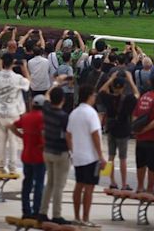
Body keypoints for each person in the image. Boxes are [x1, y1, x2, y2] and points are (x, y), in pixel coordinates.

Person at [67, 85, 106, 227]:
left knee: (79, 186)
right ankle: (86, 218)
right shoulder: (91, 113)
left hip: (78, 156)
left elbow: (68, 134)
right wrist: (101, 156)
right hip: (91, 156)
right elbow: (95, 135)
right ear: (90, 96)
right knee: (89, 188)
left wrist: (72, 151)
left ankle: (77, 216)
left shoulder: (74, 113)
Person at [98, 71, 139, 190]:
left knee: (111, 157)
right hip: (123, 129)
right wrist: (131, 80)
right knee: (123, 158)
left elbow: (101, 91)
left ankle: (112, 181)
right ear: (124, 87)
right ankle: (124, 183)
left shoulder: (109, 98)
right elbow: (137, 94)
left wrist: (111, 79)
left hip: (111, 129)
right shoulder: (128, 99)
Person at [8, 95, 46, 220]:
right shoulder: (42, 118)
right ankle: (36, 211)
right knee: (39, 184)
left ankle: (26, 210)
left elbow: (12, 126)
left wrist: (21, 136)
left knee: (27, 183)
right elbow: (43, 135)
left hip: (26, 154)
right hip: (38, 156)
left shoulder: (26, 117)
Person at [38, 86, 71, 225]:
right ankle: (56, 214)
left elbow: (45, 96)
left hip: (47, 150)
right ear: (63, 100)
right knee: (59, 185)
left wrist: (56, 83)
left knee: (50, 183)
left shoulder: (46, 110)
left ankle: (43, 212)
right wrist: (72, 151)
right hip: (60, 152)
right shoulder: (64, 116)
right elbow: (68, 136)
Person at [0, 53, 30, 173]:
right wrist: (24, 68)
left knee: (1, 139)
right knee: (13, 140)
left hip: (0, 110)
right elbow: (28, 84)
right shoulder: (17, 78)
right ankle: (12, 166)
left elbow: (1, 74)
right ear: (13, 63)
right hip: (13, 111)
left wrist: (1, 65)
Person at [132, 74, 154, 194]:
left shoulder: (143, 97)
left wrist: (138, 130)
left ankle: (140, 186)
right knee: (153, 166)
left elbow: (135, 116)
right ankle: (150, 188)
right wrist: (146, 129)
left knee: (140, 163)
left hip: (140, 139)